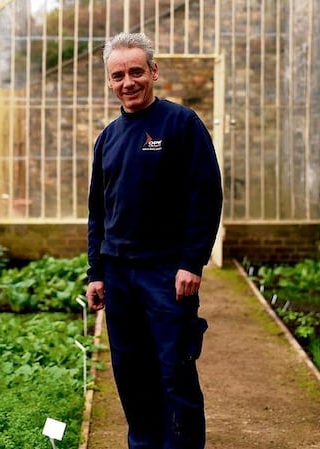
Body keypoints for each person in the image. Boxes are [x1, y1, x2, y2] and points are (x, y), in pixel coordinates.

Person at [86, 32, 223, 449]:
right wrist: (96, 272)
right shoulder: (108, 138)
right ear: (109, 82)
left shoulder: (182, 125)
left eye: (135, 72)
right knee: (131, 375)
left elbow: (207, 195)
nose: (128, 82)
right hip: (120, 277)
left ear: (153, 72)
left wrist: (192, 261)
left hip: (167, 275)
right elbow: (98, 212)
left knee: (174, 373)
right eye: (118, 75)